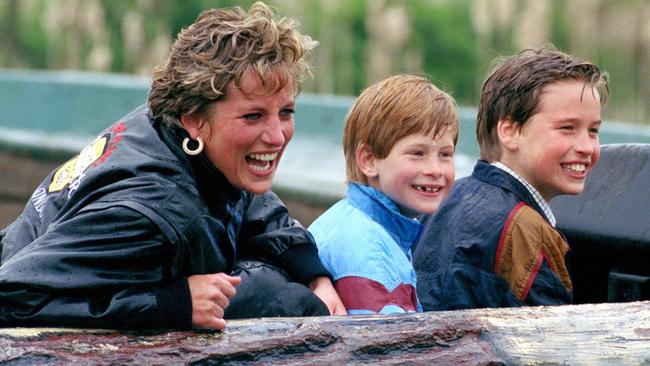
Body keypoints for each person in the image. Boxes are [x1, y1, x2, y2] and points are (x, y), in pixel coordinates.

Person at [0, 1, 345, 330]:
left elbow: (249, 198)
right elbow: (9, 296)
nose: (277, 136)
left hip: (37, 252)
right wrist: (171, 303)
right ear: (194, 120)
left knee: (282, 284)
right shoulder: (154, 211)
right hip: (25, 291)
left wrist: (312, 271)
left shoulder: (171, 130)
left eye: (286, 112)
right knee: (285, 301)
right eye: (253, 116)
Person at [413, 47, 609, 310]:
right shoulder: (527, 232)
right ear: (510, 131)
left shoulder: (445, 199)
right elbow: (551, 343)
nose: (587, 146)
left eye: (593, 131)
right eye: (567, 128)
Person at [308, 75, 458, 314]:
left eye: (445, 154)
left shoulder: (355, 220)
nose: (435, 169)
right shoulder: (371, 253)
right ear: (368, 160)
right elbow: (387, 347)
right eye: (417, 153)